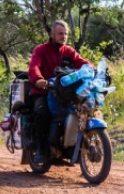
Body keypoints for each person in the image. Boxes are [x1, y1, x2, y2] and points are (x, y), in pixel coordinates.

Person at [26, 20, 92, 167]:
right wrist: (38, 79)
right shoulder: (41, 50)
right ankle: (42, 150)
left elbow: (83, 63)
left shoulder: (69, 51)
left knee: (78, 111)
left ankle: (70, 147)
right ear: (52, 34)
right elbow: (33, 67)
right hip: (43, 91)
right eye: (60, 33)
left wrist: (95, 71)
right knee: (42, 113)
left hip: (64, 92)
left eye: (66, 34)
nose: (64, 36)